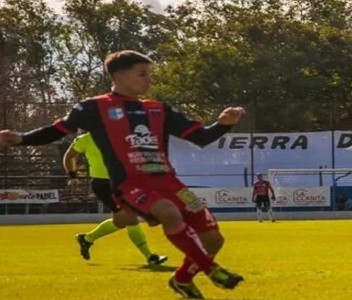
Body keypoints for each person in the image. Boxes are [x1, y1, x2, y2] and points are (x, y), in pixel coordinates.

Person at [0, 50, 246, 299]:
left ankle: (182, 280)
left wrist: (224, 123)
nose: (149, 80)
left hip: (170, 183)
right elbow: (57, 130)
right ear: (119, 75)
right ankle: (211, 269)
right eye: (142, 74)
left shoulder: (159, 109)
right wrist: (22, 138)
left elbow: (200, 137)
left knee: (214, 240)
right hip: (131, 185)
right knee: (168, 212)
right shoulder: (93, 107)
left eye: (150, 74)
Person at [64, 131, 167, 265]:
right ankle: (150, 256)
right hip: (103, 184)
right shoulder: (84, 139)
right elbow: (69, 156)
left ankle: (87, 239)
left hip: (123, 181)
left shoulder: (119, 133)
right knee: (130, 217)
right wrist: (72, 176)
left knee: (122, 220)